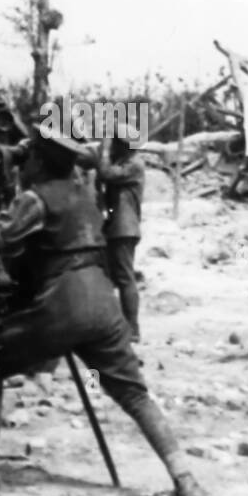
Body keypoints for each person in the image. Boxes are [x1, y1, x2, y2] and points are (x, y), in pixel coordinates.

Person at [0, 125, 209, 496]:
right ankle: (186, 481)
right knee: (134, 394)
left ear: (41, 160)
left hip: (62, 303)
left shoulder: (36, 198)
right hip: (102, 299)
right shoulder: (85, 193)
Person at [96, 125, 146, 342]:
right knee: (111, 277)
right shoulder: (127, 163)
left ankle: (132, 328)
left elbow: (105, 173)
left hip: (123, 228)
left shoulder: (134, 165)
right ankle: (116, 325)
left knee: (125, 278)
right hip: (119, 227)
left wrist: (104, 150)